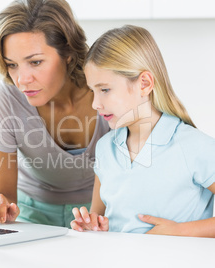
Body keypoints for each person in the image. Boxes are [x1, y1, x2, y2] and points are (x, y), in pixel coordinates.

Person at [71, 25, 215, 237]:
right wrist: (93, 228)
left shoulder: (193, 146)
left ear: (144, 84)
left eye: (104, 90)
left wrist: (179, 231)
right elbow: (99, 217)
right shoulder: (105, 148)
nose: (95, 104)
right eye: (93, 91)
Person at [0, 0, 109, 228]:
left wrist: (96, 220)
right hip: (32, 214)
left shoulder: (106, 89)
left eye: (35, 62)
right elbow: (4, 194)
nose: (22, 80)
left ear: (67, 52)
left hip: (102, 212)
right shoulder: (5, 97)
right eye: (12, 64)